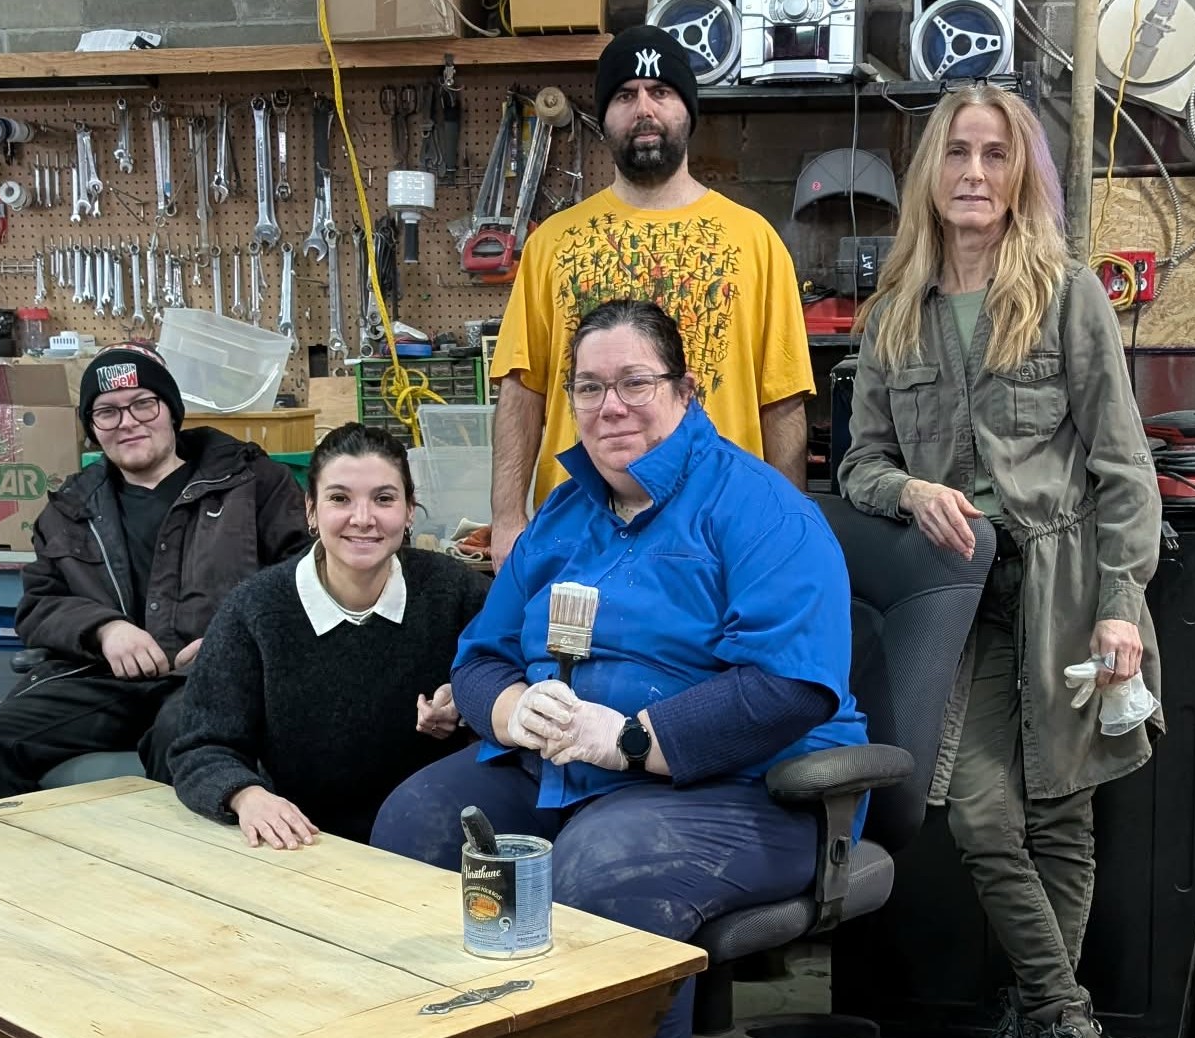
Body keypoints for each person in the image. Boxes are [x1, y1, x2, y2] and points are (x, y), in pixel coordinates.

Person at [372, 300, 868, 1038]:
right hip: (563, 770)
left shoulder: (763, 509)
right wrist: (510, 710)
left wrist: (633, 738)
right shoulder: (563, 514)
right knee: (415, 828)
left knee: (606, 868)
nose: (612, 408)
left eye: (636, 383)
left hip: (745, 788)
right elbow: (482, 654)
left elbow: (788, 688)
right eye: (589, 388)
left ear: (686, 391)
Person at [838, 85, 1162, 1038]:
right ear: (931, 172)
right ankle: (1066, 1015)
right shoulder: (895, 313)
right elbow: (860, 463)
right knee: (979, 816)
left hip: (1066, 591)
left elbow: (1123, 465)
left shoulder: (1067, 295)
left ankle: (1041, 1017)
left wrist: (1120, 603)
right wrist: (910, 492)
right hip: (958, 598)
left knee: (1062, 816)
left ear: (1022, 174)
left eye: (994, 155)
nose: (974, 173)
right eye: (957, 154)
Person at [488, 23, 814, 570]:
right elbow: (524, 392)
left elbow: (780, 402)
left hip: (719, 537)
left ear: (687, 109)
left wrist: (789, 526)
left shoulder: (755, 241)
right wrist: (506, 519)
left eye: (661, 91)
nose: (643, 108)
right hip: (578, 531)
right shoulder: (551, 243)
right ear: (604, 118)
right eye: (624, 95)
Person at [0, 344, 308, 804]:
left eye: (143, 404)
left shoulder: (252, 483)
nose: (128, 422)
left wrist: (234, 641)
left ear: (171, 411)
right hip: (102, 682)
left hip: (214, 680)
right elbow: (39, 604)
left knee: (181, 739)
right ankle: (25, 873)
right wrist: (104, 629)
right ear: (93, 430)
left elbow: (302, 577)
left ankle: (177, 876)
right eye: (107, 412)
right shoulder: (71, 507)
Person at [168, 423, 493, 847]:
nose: (363, 519)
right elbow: (200, 747)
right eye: (340, 498)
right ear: (310, 510)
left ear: (410, 510)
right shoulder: (254, 608)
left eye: (384, 499)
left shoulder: (456, 591)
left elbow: (513, 685)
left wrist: (465, 707)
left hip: (432, 832)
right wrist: (246, 796)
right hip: (301, 838)